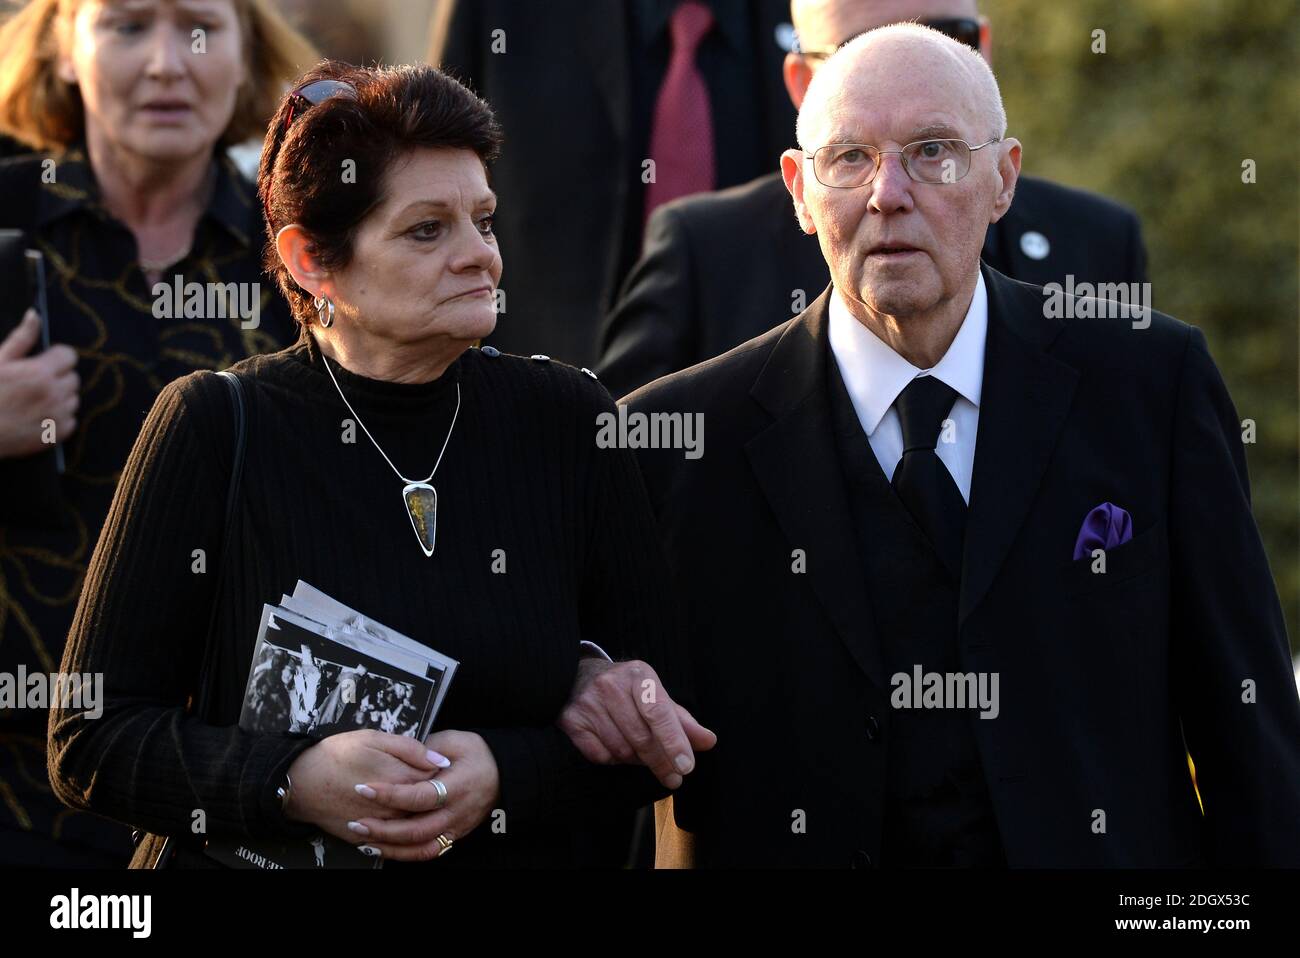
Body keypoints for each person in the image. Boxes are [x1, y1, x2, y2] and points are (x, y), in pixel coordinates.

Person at [628, 24, 1300, 867]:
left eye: (933, 152)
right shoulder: (680, 446)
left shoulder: (1151, 385)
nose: (887, 194)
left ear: (1003, 179)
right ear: (799, 192)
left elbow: (1248, 732)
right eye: (849, 159)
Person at [48, 61, 712, 869]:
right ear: (311, 261)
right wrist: (289, 781)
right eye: (427, 229)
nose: (481, 257)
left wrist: (505, 774)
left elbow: (665, 727)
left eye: (485, 221)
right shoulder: (214, 424)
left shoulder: (568, 419)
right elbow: (91, 738)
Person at [0, 0, 315, 867]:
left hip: (232, 787)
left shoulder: (312, 247)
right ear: (65, 49)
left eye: (201, 27)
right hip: (13, 790)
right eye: (127, 26)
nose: (169, 63)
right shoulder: (7, 218)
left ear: (249, 51)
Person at [597, 0, 1149, 398]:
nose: (900, 64)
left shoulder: (1098, 243)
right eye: (856, 51)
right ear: (800, 83)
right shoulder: (706, 253)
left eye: (941, 35)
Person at [429, 0, 799, 367]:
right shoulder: (499, 14)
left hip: (774, 388)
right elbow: (433, 181)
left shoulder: (830, 14)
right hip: (546, 395)